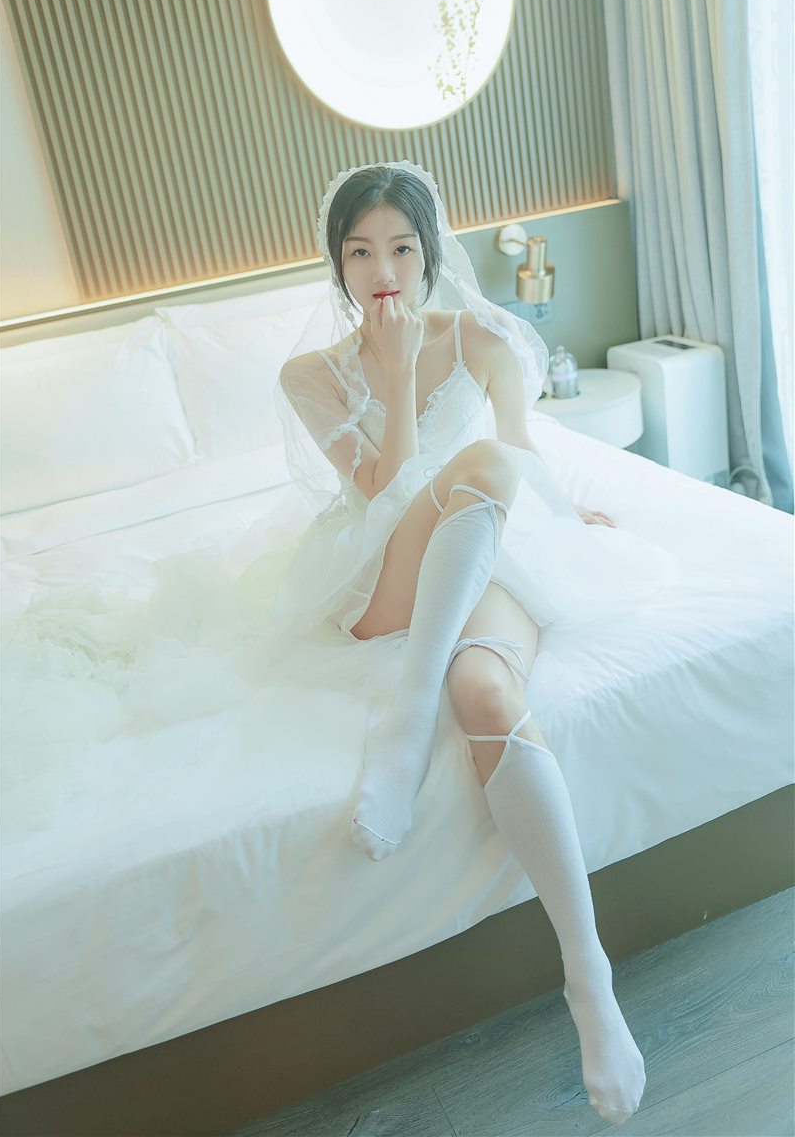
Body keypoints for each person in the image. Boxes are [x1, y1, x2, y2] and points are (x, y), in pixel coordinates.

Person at [271, 160, 684, 1125]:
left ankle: (588, 976)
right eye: (359, 252)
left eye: (400, 248)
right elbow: (383, 498)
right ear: (337, 263)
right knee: (477, 467)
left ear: (431, 251)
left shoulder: (486, 340)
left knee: (490, 693)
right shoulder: (309, 376)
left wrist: (570, 518)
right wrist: (394, 375)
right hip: (383, 576)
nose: (382, 272)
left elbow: (520, 455)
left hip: (481, 544)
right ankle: (409, 712)